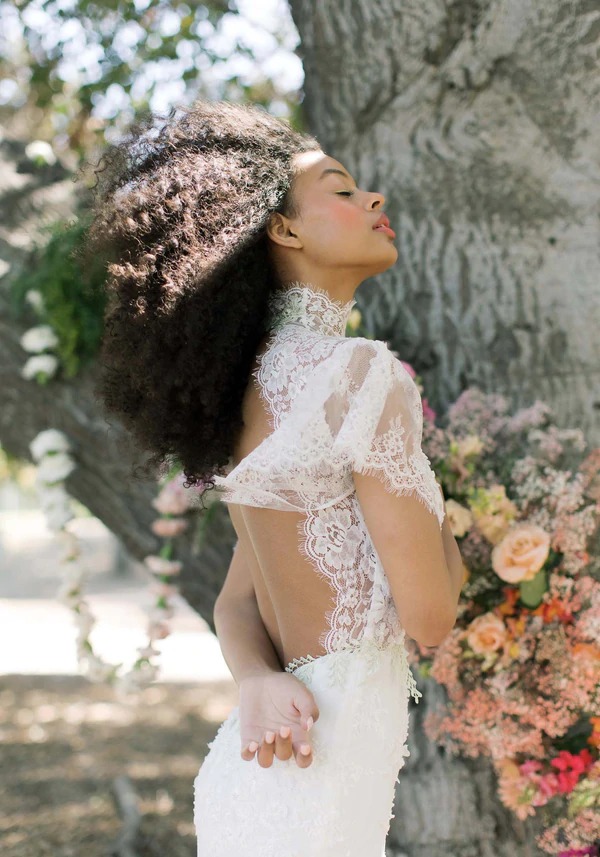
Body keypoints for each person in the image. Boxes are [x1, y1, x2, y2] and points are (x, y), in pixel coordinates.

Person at [83, 99, 465, 857]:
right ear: (283, 230)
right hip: (317, 767)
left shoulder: (244, 394)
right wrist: (450, 521)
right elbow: (429, 617)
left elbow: (235, 605)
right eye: (342, 187)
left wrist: (256, 680)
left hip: (262, 760)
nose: (373, 199)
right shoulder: (361, 375)